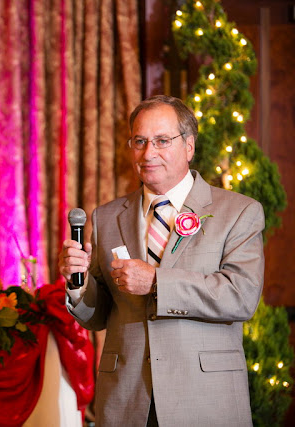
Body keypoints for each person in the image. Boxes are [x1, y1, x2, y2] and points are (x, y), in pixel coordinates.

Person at [59, 95, 264, 426]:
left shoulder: (238, 211)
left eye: (161, 141)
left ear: (189, 146)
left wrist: (156, 282)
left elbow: (241, 296)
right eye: (139, 141)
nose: (148, 153)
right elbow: (97, 316)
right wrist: (78, 283)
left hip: (204, 398)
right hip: (127, 400)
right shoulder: (107, 217)